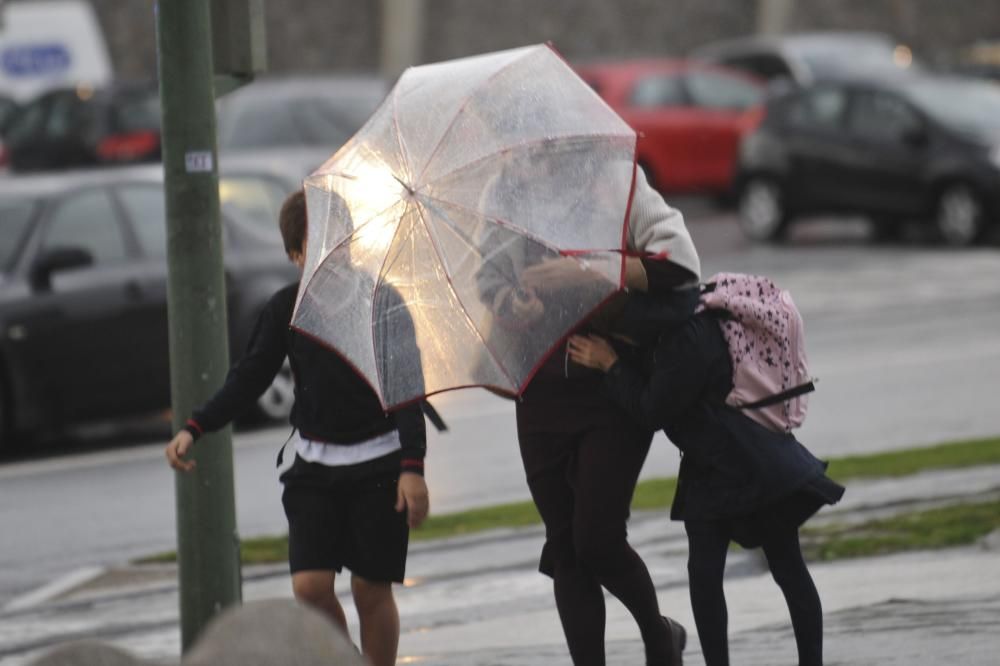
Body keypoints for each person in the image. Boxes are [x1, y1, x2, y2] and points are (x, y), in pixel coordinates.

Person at [165, 189, 429, 666]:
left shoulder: (380, 302)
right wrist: (197, 425)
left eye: (338, 238)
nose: (329, 251)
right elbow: (250, 377)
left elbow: (408, 387)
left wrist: (413, 466)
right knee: (310, 587)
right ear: (295, 254)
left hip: (380, 466)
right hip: (314, 468)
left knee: (371, 589)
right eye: (314, 243)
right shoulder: (286, 308)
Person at [476, 162, 701, 666]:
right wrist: (516, 302)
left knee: (596, 538)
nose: (536, 156)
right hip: (539, 391)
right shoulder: (504, 189)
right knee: (565, 547)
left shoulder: (616, 175)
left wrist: (590, 271)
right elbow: (488, 279)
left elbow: (681, 263)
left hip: (610, 387)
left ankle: (658, 636)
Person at [567, 291, 845, 666]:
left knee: (785, 565)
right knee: (704, 574)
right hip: (708, 464)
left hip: (748, 460)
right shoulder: (665, 331)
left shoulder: (689, 336)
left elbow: (653, 409)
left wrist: (612, 364)